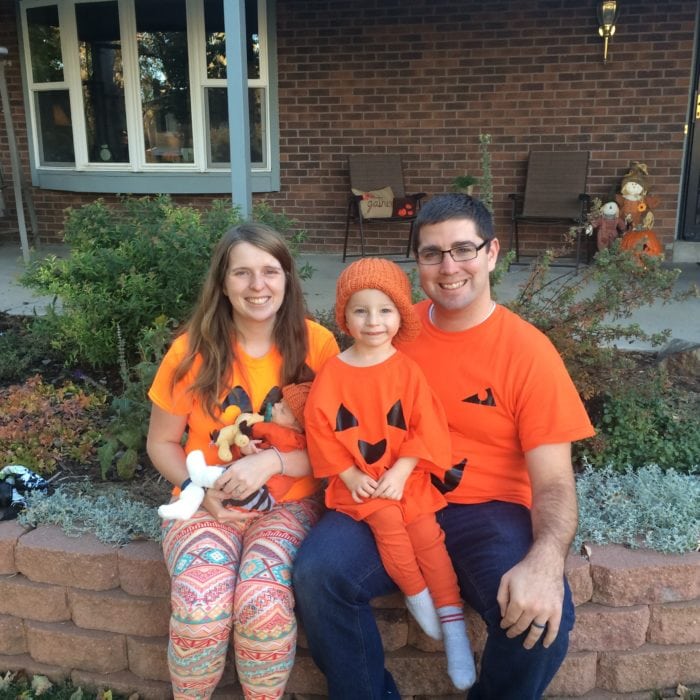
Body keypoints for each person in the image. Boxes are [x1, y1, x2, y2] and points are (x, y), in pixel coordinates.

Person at [293, 194, 595, 699]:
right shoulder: (388, 328)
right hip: (388, 496)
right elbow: (326, 402)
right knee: (319, 574)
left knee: (539, 623)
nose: (448, 266)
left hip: (487, 513)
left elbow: (555, 482)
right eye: (432, 253)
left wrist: (546, 562)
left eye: (463, 249)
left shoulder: (528, 353)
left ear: (493, 252)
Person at [147, 223, 339, 700]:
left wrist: (271, 462)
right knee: (200, 605)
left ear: (288, 278)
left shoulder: (319, 347)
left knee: (265, 604)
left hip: (290, 506)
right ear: (222, 282)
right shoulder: (190, 351)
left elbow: (336, 451)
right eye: (242, 273)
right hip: (204, 508)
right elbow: (161, 444)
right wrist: (202, 494)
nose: (258, 286)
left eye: (270, 271)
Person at [304, 258, 476, 691]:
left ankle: (452, 623)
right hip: (362, 483)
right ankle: (416, 593)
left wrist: (402, 469)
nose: (373, 321)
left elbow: (426, 425)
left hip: (405, 478)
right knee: (388, 527)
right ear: (344, 316)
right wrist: (346, 474)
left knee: (427, 538)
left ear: (401, 316)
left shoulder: (406, 371)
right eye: (361, 310)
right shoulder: (335, 372)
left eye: (385, 310)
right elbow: (321, 429)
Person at [157, 382, 312, 519]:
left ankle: (198, 482)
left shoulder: (288, 436)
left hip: (262, 491)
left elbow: (258, 430)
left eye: (283, 410)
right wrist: (246, 448)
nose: (276, 405)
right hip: (257, 492)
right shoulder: (286, 433)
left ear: (297, 426)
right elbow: (161, 442)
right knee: (218, 481)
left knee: (222, 480)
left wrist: (248, 425)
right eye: (280, 402)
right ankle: (191, 495)